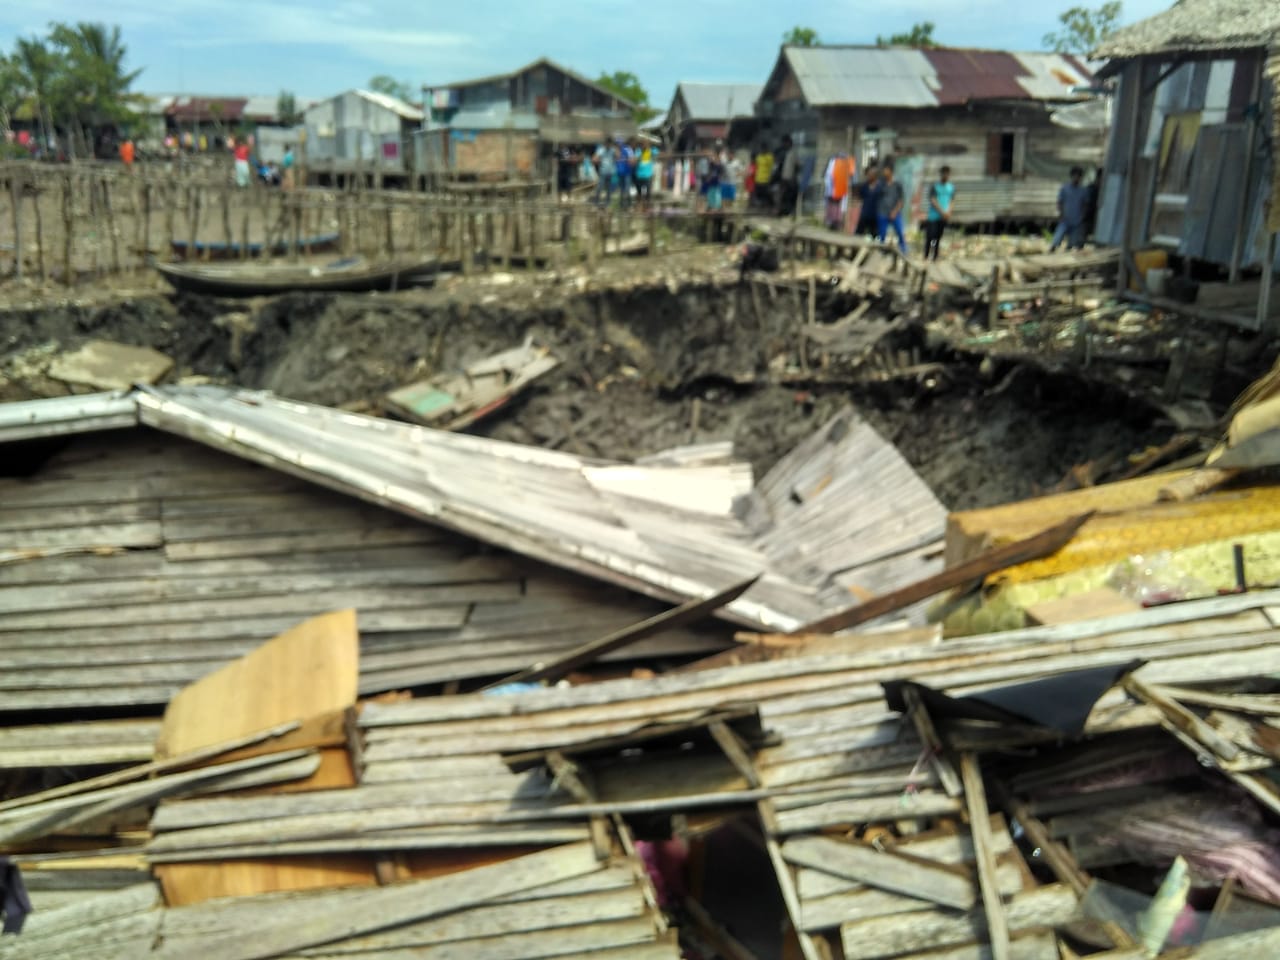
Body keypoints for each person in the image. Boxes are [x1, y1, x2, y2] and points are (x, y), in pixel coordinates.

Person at [1050, 166, 1089, 252]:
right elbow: (1060, 202)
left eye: (1079, 176)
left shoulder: (1083, 190)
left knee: (1073, 241)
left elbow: (1085, 204)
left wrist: (1083, 216)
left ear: (1081, 177)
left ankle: (1068, 250)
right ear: (1071, 176)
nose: (1076, 178)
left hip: (1077, 218)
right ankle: (1052, 248)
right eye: (1075, 175)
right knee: (1058, 235)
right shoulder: (1065, 188)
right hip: (1066, 217)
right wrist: (1061, 213)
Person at [923, 165, 954, 260]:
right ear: (941, 174)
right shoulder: (935, 187)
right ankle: (926, 255)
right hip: (933, 216)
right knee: (930, 236)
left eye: (947, 174)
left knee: (938, 237)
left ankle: (935, 257)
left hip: (943, 217)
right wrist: (942, 212)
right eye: (943, 173)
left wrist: (948, 212)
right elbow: (933, 200)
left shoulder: (951, 187)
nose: (945, 176)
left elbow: (952, 200)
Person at [876, 162, 907, 254]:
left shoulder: (897, 185)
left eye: (886, 170)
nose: (884, 172)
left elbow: (901, 201)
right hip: (882, 212)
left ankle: (903, 251)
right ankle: (881, 252)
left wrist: (895, 211)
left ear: (891, 171)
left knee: (900, 232)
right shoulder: (881, 184)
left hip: (895, 213)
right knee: (882, 234)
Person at [823, 153, 853, 230]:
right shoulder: (840, 164)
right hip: (836, 188)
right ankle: (835, 222)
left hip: (836, 188)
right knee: (836, 205)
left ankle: (835, 222)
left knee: (835, 205)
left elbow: (828, 176)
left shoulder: (839, 164)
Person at [853, 162, 880, 237]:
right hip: (865, 214)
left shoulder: (880, 187)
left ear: (875, 176)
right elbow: (859, 197)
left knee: (875, 235)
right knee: (858, 234)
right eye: (868, 174)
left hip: (875, 215)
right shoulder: (865, 186)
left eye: (870, 175)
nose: (868, 176)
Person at [774, 135, 797, 217]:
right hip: (784, 178)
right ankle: (781, 212)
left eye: (785, 143)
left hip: (790, 179)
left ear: (789, 143)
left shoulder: (793, 153)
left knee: (789, 197)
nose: (784, 145)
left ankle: (788, 212)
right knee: (782, 196)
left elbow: (796, 166)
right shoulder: (784, 153)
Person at [634, 140, 655, 207]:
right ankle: (639, 206)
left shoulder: (651, 151)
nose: (644, 146)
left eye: (646, 144)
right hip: (639, 175)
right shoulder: (638, 152)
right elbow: (635, 160)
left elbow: (658, 153)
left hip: (648, 175)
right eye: (643, 144)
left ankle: (647, 206)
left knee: (648, 193)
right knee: (639, 193)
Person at [616, 139, 634, 209]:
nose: (618, 145)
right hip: (620, 174)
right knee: (621, 190)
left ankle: (628, 205)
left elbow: (632, 161)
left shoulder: (628, 150)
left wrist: (628, 161)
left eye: (619, 144)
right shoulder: (616, 151)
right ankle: (622, 205)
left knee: (627, 189)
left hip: (627, 173)